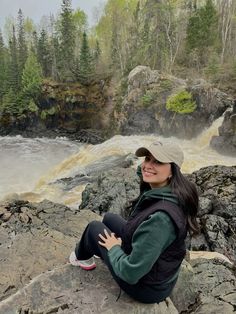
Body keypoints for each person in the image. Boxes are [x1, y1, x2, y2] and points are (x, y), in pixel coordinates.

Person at [69, 140, 199, 303]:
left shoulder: (161, 220)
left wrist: (114, 248)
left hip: (146, 288)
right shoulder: (175, 191)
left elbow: (130, 273)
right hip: (160, 273)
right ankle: (102, 251)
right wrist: (148, 168)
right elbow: (143, 171)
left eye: (158, 161)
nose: (148, 165)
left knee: (94, 228)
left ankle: (81, 257)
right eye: (147, 159)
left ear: (173, 170)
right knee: (109, 218)